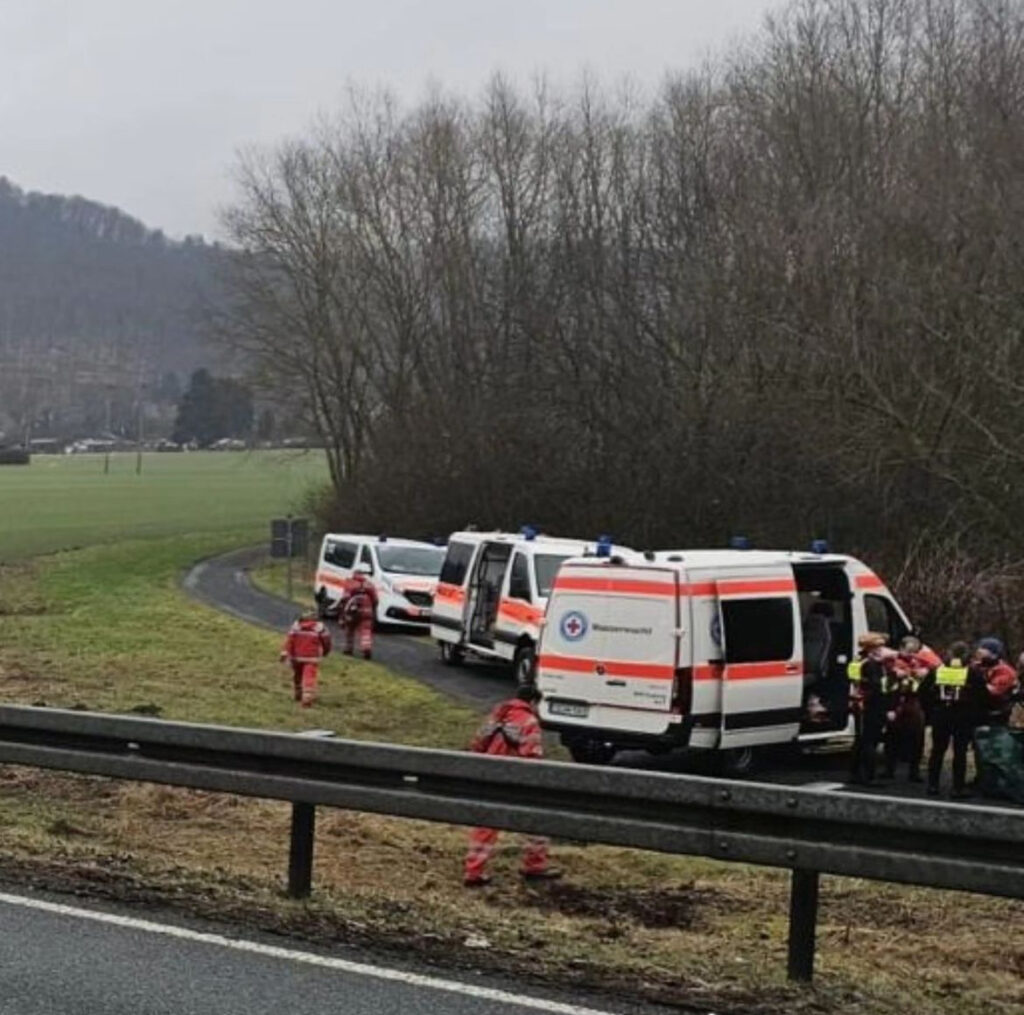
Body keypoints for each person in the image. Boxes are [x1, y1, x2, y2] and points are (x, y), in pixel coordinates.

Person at [463, 683, 562, 887]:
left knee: (485, 826)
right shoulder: (529, 721)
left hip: (489, 775)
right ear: (533, 702)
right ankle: (534, 865)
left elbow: (477, 743)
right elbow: (531, 755)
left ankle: (474, 871)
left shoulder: (498, 715)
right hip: (513, 778)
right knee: (537, 820)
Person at [919, 640, 986, 798]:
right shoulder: (972, 673)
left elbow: (923, 692)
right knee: (960, 752)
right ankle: (957, 788)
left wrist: (930, 711)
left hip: (940, 714)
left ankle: (933, 785)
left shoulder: (938, 671)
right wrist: (977, 715)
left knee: (937, 751)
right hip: (963, 716)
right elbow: (983, 696)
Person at [848, 632, 893, 786]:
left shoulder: (858, 661)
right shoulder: (872, 665)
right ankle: (868, 776)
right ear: (870, 649)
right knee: (870, 742)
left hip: (859, 704)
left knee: (860, 740)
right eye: (878, 647)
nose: (881, 650)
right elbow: (877, 687)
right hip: (871, 706)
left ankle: (855, 773)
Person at [884, 635, 929, 782]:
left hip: (914, 702)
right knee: (892, 738)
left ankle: (914, 772)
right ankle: (889, 769)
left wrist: (925, 673)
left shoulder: (918, 662)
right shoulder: (892, 661)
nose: (912, 654)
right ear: (901, 648)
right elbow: (892, 675)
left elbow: (934, 667)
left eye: (915, 651)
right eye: (909, 651)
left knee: (917, 738)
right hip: (896, 702)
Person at [280, 611, 332, 708]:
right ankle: (307, 698)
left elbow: (289, 641)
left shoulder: (295, 627)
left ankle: (298, 693)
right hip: (312, 658)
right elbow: (326, 641)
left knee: (297, 675)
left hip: (296, 657)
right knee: (309, 677)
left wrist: (284, 653)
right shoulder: (320, 628)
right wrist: (326, 651)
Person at [973, 637, 1018, 727]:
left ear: (993, 655)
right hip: (978, 711)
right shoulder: (977, 667)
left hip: (997, 712)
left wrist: (977, 683)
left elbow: (994, 691)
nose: (978, 656)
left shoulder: (1005, 671)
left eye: (981, 653)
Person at [340, 564, 378, 660]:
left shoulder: (349, 583)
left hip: (352, 611)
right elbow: (375, 600)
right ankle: (366, 648)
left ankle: (348, 649)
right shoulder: (370, 584)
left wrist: (343, 612)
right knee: (366, 631)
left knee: (349, 630)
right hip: (367, 609)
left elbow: (345, 598)